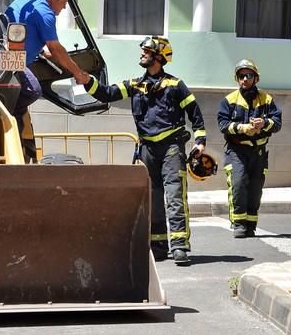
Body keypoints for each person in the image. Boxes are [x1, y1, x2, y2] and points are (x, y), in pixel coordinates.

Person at [83, 36, 206, 266]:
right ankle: (158, 245)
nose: (141, 53)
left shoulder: (175, 85)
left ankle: (179, 246)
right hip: (148, 149)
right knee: (153, 198)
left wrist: (200, 142)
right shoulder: (134, 84)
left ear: (158, 57)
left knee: (174, 196)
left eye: (146, 51)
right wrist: (85, 79)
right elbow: (106, 93)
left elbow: (196, 116)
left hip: (171, 147)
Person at [4, 0, 90, 136]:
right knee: (33, 90)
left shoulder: (26, 0)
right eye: (63, 3)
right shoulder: (45, 13)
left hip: (6, 55)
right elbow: (56, 49)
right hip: (14, 60)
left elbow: (22, 30)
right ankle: (11, 117)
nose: (64, 8)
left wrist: (40, 52)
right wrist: (78, 73)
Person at [217, 59, 282, 238]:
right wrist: (241, 128)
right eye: (241, 76)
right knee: (238, 184)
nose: (245, 79)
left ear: (256, 78)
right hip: (236, 150)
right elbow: (222, 124)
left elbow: (277, 123)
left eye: (249, 75)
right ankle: (238, 223)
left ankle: (251, 224)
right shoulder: (229, 100)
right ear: (237, 79)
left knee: (255, 189)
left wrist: (265, 123)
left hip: (259, 152)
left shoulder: (266, 99)